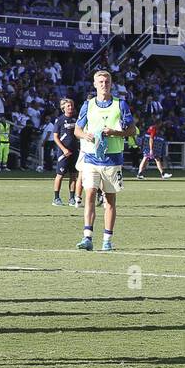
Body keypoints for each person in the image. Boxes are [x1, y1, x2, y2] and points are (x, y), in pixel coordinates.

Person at [73, 71, 135, 251]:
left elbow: (132, 130)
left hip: (112, 159)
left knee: (109, 200)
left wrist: (115, 133)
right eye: (100, 81)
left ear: (111, 84)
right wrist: (86, 135)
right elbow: (77, 130)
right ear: (94, 84)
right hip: (91, 158)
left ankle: (107, 239)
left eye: (106, 81)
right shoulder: (88, 105)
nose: (103, 84)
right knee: (90, 195)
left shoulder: (120, 104)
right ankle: (87, 237)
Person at [51, 98, 80, 207]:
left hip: (74, 151)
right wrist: (64, 149)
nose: (71, 107)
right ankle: (56, 198)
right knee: (60, 175)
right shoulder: (60, 120)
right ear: (63, 108)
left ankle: (72, 198)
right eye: (68, 106)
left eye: (72, 105)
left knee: (73, 175)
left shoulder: (76, 120)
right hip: (63, 153)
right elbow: (55, 137)